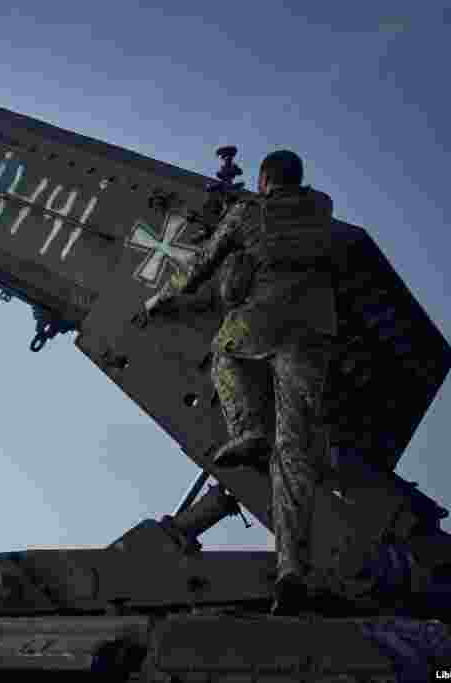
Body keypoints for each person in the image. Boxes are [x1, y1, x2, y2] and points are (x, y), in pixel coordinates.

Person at [150, 150, 338, 616]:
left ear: (264, 180)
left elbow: (200, 266)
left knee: (224, 353)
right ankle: (291, 571)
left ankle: (248, 429)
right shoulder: (322, 208)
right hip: (314, 329)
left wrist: (164, 297)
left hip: (262, 318)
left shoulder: (248, 212)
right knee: (293, 452)